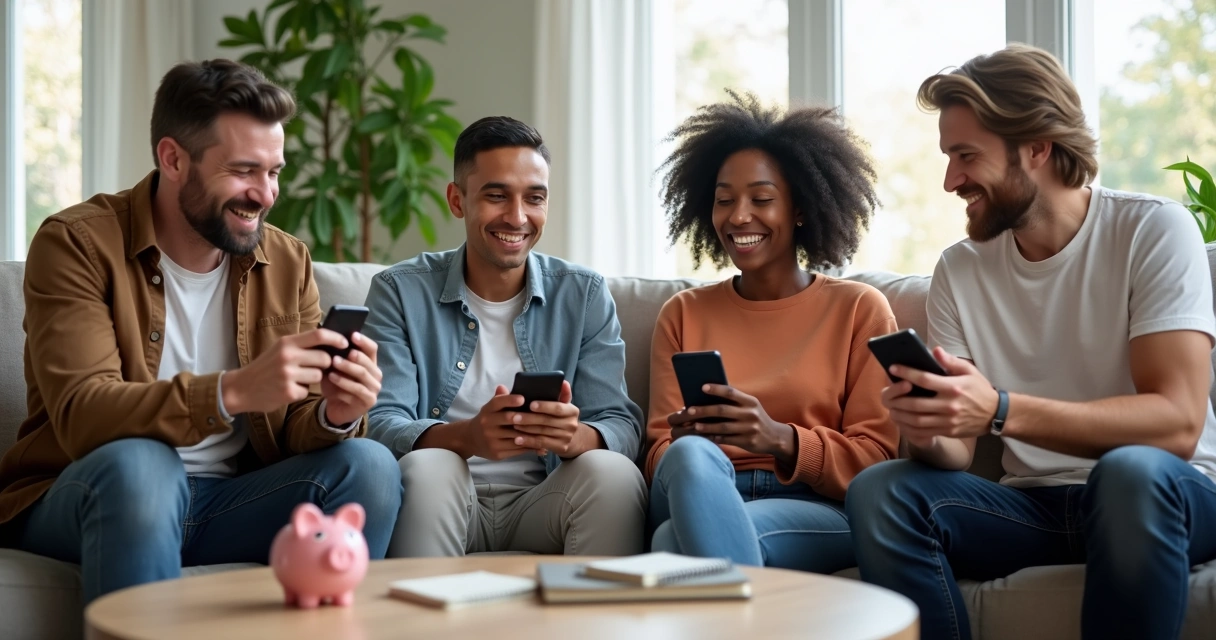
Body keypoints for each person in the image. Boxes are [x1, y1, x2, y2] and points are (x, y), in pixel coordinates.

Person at [845, 44, 1216, 640]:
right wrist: (929, 425)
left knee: (1127, 475)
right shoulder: (960, 269)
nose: (951, 180)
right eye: (948, 157)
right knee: (882, 492)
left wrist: (999, 408)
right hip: (1037, 507)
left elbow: (1176, 423)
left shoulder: (1151, 229)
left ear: (1038, 146)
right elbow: (956, 454)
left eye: (966, 156)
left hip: (1163, 493)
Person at [0, 59, 402, 604]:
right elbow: (83, 415)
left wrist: (337, 411)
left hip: (228, 501)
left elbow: (297, 428)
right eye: (243, 171)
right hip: (93, 490)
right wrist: (231, 391)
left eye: (274, 172)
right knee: (145, 465)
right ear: (173, 159)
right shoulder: (77, 244)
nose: (265, 194)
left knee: (371, 465)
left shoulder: (287, 261)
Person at [364, 116, 646, 557]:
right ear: (457, 200)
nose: (517, 218)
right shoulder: (400, 290)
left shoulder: (584, 293)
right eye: (496, 196)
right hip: (445, 498)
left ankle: (589, 625)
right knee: (432, 465)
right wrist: (468, 437)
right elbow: (379, 424)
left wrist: (574, 438)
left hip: (545, 501)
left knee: (613, 473)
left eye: (534, 198)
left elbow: (621, 423)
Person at [644, 91, 899, 573]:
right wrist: (684, 441)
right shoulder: (683, 313)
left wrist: (780, 439)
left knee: (670, 544)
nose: (739, 216)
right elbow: (658, 453)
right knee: (691, 456)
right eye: (724, 201)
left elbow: (877, 460)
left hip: (816, 504)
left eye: (761, 199)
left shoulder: (858, 310)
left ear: (801, 208)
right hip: (699, 483)